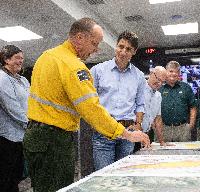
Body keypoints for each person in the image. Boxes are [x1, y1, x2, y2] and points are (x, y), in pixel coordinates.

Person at [23, 18, 150, 192]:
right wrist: (126, 134)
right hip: (55, 141)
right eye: (94, 43)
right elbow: (91, 109)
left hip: (35, 137)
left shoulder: (47, 56)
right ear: (80, 37)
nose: (96, 49)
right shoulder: (74, 66)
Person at [90, 31, 146, 171]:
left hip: (128, 133)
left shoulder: (139, 76)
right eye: (120, 46)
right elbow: (90, 102)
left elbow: (140, 104)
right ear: (116, 46)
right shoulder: (98, 70)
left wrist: (138, 124)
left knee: (123, 176)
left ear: (134, 52)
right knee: (103, 176)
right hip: (104, 132)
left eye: (128, 49)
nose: (123, 52)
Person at [0, 45, 30, 192]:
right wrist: (30, 124)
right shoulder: (2, 78)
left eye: (22, 59)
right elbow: (11, 107)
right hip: (8, 138)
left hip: (22, 136)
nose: (21, 61)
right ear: (6, 59)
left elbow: (30, 102)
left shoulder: (23, 80)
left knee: (17, 175)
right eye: (17, 58)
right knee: (7, 178)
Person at [160, 61, 197, 142]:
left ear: (179, 73)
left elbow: (193, 107)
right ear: (166, 72)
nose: (173, 74)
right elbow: (153, 109)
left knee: (184, 154)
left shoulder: (186, 87)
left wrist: (190, 125)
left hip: (183, 129)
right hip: (164, 129)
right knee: (164, 154)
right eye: (171, 71)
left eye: (176, 72)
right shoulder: (159, 88)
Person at [141, 66, 168, 147]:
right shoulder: (138, 89)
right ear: (151, 74)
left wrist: (162, 142)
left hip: (146, 135)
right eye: (158, 79)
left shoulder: (158, 96)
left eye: (162, 82)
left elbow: (158, 119)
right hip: (132, 135)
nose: (159, 83)